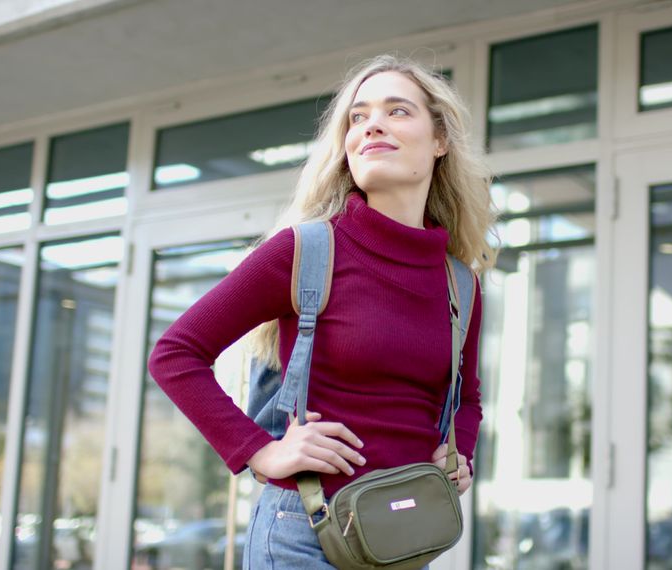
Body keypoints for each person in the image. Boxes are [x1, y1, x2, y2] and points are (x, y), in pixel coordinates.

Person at [147, 53, 497, 569]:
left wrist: (458, 453)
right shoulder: (304, 251)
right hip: (304, 533)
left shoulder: (459, 282)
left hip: (403, 535)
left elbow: (466, 397)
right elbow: (175, 353)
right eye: (358, 116)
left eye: (397, 110)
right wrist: (261, 452)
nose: (372, 123)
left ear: (440, 140)